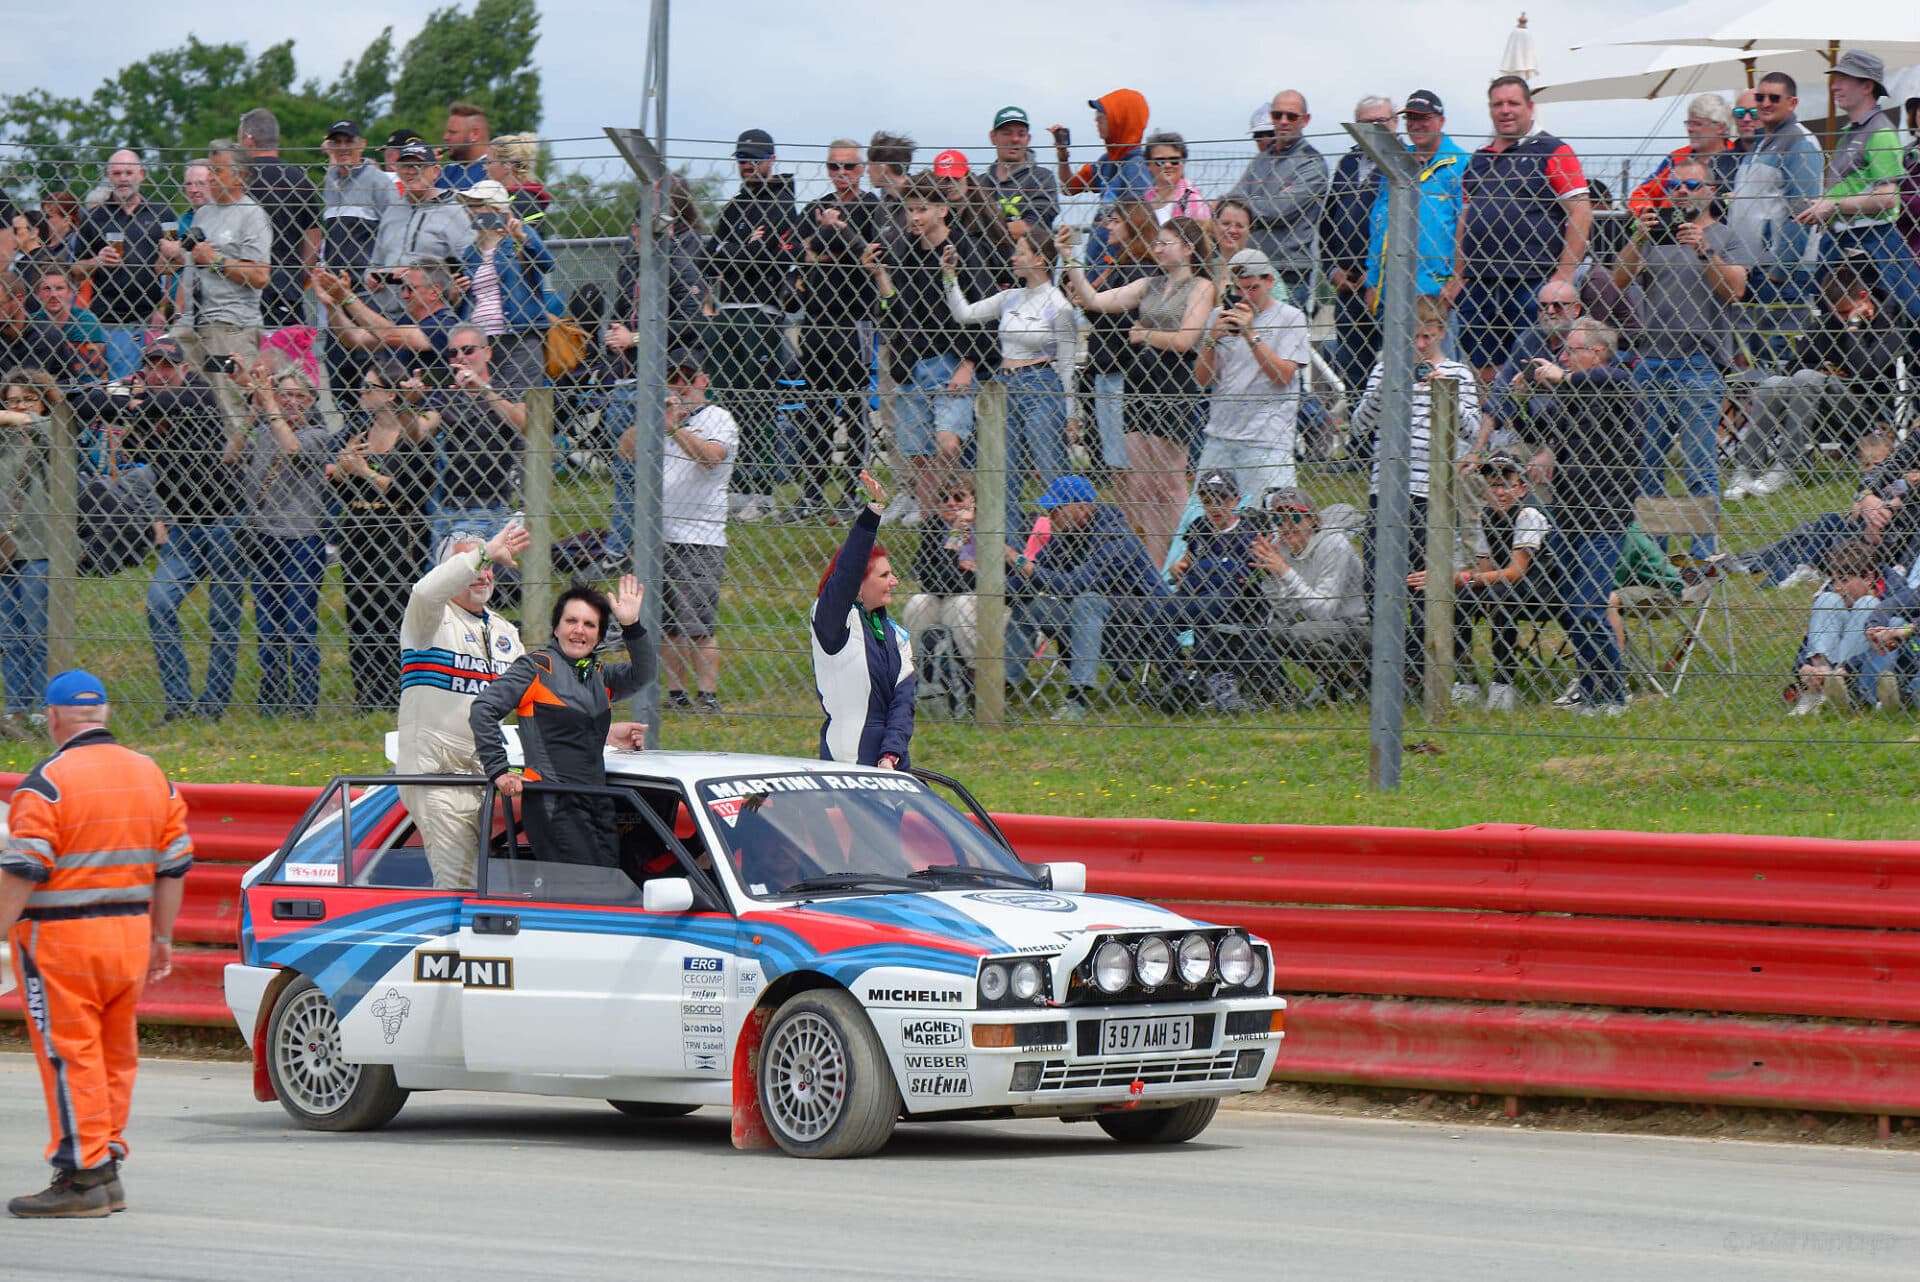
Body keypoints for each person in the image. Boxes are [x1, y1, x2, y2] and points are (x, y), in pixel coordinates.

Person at [0, 670, 191, 1218]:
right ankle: (105, 1165)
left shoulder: (45, 784)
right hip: (130, 939)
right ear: (103, 714)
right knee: (114, 1055)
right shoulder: (152, 775)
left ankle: (80, 1178)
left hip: (61, 944)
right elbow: (174, 865)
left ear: (54, 718)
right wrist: (162, 936)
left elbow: (23, 869)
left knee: (69, 1057)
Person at [75, 340, 239, 721]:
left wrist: (130, 404)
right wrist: (128, 405)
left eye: (168, 367)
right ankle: (179, 704)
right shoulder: (154, 400)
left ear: (183, 368)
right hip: (182, 527)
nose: (160, 373)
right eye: (152, 367)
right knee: (159, 606)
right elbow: (84, 404)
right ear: (142, 370)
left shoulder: (198, 391)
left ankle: (213, 707)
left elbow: (139, 408)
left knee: (223, 619)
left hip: (224, 522)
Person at [1058, 215, 1217, 570]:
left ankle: (1184, 560)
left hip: (1173, 386)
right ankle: (1156, 565)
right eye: (1156, 242)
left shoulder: (1202, 286)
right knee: (1143, 485)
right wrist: (1070, 258)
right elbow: (1094, 300)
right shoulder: (1149, 283)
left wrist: (1144, 335)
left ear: (1188, 248)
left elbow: (1186, 339)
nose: (1157, 248)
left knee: (1170, 485)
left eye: (1166, 243)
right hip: (1140, 383)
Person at [1611, 156, 1750, 548]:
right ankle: (1656, 560)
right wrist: (1638, 236)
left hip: (1700, 363)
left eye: (1692, 187)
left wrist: (1704, 250)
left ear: (1710, 191)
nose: (1683, 193)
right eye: (1676, 187)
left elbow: (1736, 289)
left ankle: (1703, 557)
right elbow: (1618, 280)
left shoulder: (1724, 235)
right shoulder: (1654, 234)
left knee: (1698, 464)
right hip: (1651, 360)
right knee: (1647, 464)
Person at [471, 577, 654, 868]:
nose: (579, 630)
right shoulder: (535, 667)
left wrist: (632, 625)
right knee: (585, 893)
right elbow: (483, 709)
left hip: (597, 801)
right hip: (553, 804)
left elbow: (644, 675)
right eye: (571, 621)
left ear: (599, 635)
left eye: (590, 624)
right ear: (556, 628)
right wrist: (499, 771)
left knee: (611, 886)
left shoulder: (597, 673)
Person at [398, 524, 532, 888]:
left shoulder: (506, 631)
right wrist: (485, 551)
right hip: (435, 773)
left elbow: (537, 699)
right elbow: (425, 590)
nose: (483, 572)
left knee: (482, 882)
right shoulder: (427, 619)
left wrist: (605, 732)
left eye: (489, 565)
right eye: (473, 563)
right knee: (459, 883)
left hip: (486, 773)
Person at [610, 351, 739, 714]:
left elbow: (710, 457)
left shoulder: (719, 418)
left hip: (701, 537)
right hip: (657, 536)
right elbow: (625, 450)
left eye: (685, 378)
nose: (678, 386)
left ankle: (707, 694)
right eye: (672, 378)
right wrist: (654, 417)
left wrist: (674, 428)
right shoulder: (658, 418)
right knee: (665, 624)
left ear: (703, 381)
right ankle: (677, 693)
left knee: (697, 623)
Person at [1519, 318, 1637, 716]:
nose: (1563, 358)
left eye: (1571, 351)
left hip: (1604, 517)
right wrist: (1527, 393)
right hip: (1568, 515)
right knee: (1570, 609)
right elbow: (1536, 428)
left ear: (1598, 352)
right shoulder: (1573, 393)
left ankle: (1614, 695)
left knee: (1588, 608)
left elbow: (1611, 383)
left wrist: (1563, 380)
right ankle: (1592, 694)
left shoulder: (1620, 384)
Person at [862, 174, 991, 525]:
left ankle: (946, 508)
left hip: (950, 362)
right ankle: (931, 516)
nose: (915, 217)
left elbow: (980, 311)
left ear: (943, 210)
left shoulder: (962, 250)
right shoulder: (905, 252)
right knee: (917, 451)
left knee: (948, 443)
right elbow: (895, 309)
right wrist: (879, 275)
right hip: (910, 362)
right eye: (910, 209)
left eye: (923, 209)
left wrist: (969, 363)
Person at [1446, 76, 1593, 384]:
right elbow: (1465, 217)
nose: (1506, 110)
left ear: (1530, 107)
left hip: (1533, 281)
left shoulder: (1554, 149)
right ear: (1490, 109)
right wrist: (1458, 275)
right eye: (1498, 104)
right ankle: (1495, 428)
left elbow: (1581, 210)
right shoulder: (1479, 159)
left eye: (1513, 103)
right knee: (1485, 370)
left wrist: (1564, 275)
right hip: (1479, 283)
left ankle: (1529, 431)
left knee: (1532, 368)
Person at [1003, 474, 1173, 722]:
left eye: (1055, 509)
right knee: (1031, 607)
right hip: (1090, 625)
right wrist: (992, 577)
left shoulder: (1116, 539)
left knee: (1087, 599)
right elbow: (1026, 583)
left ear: (1081, 509)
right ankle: (1001, 687)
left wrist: (1018, 560)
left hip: (1139, 629)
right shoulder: (1066, 537)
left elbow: (1073, 585)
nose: (1049, 516)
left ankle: (1077, 699)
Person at [945, 227, 1079, 541]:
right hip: (1004, 387)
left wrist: (1071, 414)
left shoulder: (1058, 306)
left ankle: (1067, 548)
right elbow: (964, 314)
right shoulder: (1010, 297)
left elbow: (1068, 365)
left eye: (1020, 251)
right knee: (1004, 475)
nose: (1013, 257)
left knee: (1051, 472)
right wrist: (949, 276)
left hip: (1041, 387)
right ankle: (1013, 554)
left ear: (1040, 259)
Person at [1727, 264, 1900, 501]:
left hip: (1866, 407)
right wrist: (1825, 370)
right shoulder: (1830, 319)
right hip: (1817, 401)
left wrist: (1854, 326)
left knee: (1807, 378)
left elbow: (1866, 371)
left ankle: (1786, 465)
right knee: (1773, 383)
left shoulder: (1892, 319)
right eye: (1836, 314)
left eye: (1844, 312)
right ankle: (1746, 470)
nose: (1839, 319)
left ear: (1863, 297)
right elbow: (1796, 363)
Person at [1408, 450, 1551, 712]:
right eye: (1493, 485)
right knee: (1461, 597)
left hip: (1542, 587)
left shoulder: (1528, 513)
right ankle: (1466, 681)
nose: (1499, 491)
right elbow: (1485, 569)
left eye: (1507, 484)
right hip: (1508, 584)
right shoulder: (1487, 517)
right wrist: (1463, 582)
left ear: (1521, 488)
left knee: (1498, 596)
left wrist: (1458, 578)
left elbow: (1515, 572)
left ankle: (1503, 682)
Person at [328, 363, 434, 712]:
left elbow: (415, 492)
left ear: (390, 394)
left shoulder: (412, 438)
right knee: (358, 609)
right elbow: (341, 487)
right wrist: (343, 474)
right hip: (358, 526)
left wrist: (366, 472)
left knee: (392, 610)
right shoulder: (357, 431)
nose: (361, 392)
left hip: (397, 532)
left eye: (368, 387)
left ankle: (395, 691)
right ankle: (365, 692)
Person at [704, 128, 800, 511]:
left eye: (755, 158)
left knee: (758, 402)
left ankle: (761, 491)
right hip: (729, 311)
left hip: (763, 313)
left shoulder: (782, 204)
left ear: (771, 159)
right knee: (729, 401)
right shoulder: (735, 206)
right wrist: (746, 249)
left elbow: (774, 259)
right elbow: (709, 258)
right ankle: (737, 485)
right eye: (743, 159)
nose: (748, 165)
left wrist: (740, 254)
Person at [233, 358, 336, 717]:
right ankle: (272, 701)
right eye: (284, 395)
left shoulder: (317, 435)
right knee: (268, 625)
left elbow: (292, 448)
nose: (291, 402)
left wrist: (270, 403)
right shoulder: (262, 431)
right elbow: (231, 455)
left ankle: (305, 703)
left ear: (310, 401)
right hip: (264, 538)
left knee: (300, 624)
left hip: (302, 539)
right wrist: (253, 410)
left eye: (298, 397)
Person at [1793, 51, 1920, 321]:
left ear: (1866, 86)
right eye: (1835, 78)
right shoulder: (1853, 132)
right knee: (1835, 324)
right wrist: (1824, 206)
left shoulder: (1881, 133)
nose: (1835, 86)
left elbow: (1887, 199)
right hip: (1848, 242)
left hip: (1872, 243)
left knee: (1901, 324)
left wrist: (1833, 205)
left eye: (1843, 79)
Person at [811, 470, 915, 766]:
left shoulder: (897, 635)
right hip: (848, 756)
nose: (894, 581)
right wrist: (873, 512)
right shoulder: (832, 621)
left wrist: (891, 753)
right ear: (858, 586)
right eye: (884, 575)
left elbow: (903, 702)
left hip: (892, 757)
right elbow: (846, 572)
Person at [167, 140, 270, 431]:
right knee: (180, 394)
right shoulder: (204, 213)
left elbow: (261, 275)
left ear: (239, 176)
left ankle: (237, 466)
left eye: (218, 171)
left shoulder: (252, 215)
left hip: (229, 330)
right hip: (192, 327)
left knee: (230, 404)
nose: (210, 177)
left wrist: (216, 261)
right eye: (210, 170)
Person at [1193, 248, 1310, 499]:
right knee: (1205, 525)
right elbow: (1202, 380)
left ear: (1270, 281)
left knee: (1266, 523)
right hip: (1220, 436)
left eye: (1252, 288)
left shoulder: (1291, 318)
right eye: (1238, 288)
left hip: (1266, 441)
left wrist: (1250, 334)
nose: (1244, 296)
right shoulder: (1219, 316)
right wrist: (1210, 341)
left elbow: (1283, 376)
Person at [1253, 486, 1369, 704]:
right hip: (1324, 626)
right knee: (1275, 630)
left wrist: (1285, 572)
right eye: (1279, 520)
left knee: (1299, 633)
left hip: (1360, 627)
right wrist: (1270, 575)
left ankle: (1355, 677)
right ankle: (1336, 680)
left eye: (1294, 517)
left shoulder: (1334, 544)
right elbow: (1287, 611)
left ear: (1312, 520)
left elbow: (1324, 611)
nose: (1287, 527)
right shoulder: (1284, 550)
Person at [69, 149, 172, 378]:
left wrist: (163, 309)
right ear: (108, 176)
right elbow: (74, 271)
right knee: (115, 388)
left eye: (129, 172)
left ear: (142, 174)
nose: (123, 178)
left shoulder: (162, 213)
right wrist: (97, 260)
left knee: (153, 386)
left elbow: (176, 268)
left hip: (150, 317)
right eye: (117, 173)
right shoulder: (94, 217)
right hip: (107, 318)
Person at [1168, 469, 1263, 713]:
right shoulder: (1200, 527)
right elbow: (1187, 565)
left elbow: (1241, 575)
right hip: (1196, 596)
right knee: (1159, 615)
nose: (1216, 508)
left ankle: (1218, 683)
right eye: (1208, 502)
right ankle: (1177, 678)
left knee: (1209, 609)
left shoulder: (1247, 531)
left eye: (1223, 501)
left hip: (1234, 602)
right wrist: (1179, 569)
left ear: (1236, 500)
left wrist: (1202, 571)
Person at [1727, 72, 1824, 308]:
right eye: (1760, 97)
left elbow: (1802, 213)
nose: (1765, 103)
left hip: (1779, 273)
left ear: (1792, 103)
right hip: (1753, 268)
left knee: (1781, 343)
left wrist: (1781, 271)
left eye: (1774, 98)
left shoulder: (1800, 142)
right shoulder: (1762, 142)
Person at [1365, 90, 1468, 311]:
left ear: (1441, 121)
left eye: (1424, 118)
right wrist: (1373, 281)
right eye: (1411, 118)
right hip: (1391, 291)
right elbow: (1379, 223)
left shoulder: (1461, 165)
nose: (1416, 124)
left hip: (1436, 295)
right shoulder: (1396, 162)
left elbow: (1469, 228)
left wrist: (1457, 279)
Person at [1226, 89, 1328, 302]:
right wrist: (1252, 205)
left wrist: (1244, 208)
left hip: (1288, 271)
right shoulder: (1261, 159)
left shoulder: (1312, 163)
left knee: (1284, 334)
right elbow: (1232, 203)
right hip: (1248, 269)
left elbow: (1277, 211)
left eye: (1291, 116)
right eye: (1277, 115)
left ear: (1305, 120)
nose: (1283, 121)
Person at [1323, 96, 1396, 394]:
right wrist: (1332, 271)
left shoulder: (1406, 163)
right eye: (1367, 124)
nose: (1375, 128)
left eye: (1382, 122)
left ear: (1395, 123)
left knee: (1395, 370)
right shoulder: (1347, 163)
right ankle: (1358, 437)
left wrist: (1377, 271)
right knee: (1354, 371)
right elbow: (1327, 223)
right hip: (1348, 286)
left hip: (1390, 287)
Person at [455, 178, 554, 392]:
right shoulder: (470, 252)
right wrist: (457, 291)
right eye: (468, 206)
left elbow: (548, 265)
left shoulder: (517, 238)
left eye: (476, 206)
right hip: (480, 342)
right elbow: (468, 300)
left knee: (519, 401)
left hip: (517, 336)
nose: (470, 212)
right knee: (483, 404)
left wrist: (522, 237)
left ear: (496, 209)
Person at [0, 368, 53, 737]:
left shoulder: (50, 433)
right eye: (13, 400)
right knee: (8, 634)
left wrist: (20, 417)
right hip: (3, 549)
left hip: (38, 544)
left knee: (37, 630)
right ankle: (17, 708)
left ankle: (42, 707)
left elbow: (59, 432)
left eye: (28, 399)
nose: (20, 407)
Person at [366, 142, 474, 319]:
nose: (411, 171)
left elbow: (470, 265)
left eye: (419, 166)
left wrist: (449, 288)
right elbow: (375, 263)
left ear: (435, 172)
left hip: (433, 316)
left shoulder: (454, 211)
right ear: (397, 171)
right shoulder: (392, 211)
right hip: (388, 316)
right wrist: (371, 278)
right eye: (406, 166)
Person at [237, 108, 321, 333]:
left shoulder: (239, 182)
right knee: (288, 358)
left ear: (249, 140)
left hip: (244, 286)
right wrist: (299, 276)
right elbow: (314, 236)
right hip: (288, 286)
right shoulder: (299, 179)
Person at [1050, 88, 1155, 266]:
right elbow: (1069, 187)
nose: (1096, 119)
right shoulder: (1107, 162)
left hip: (1117, 266)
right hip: (1100, 259)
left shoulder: (1137, 167)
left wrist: (1108, 269)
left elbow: (1138, 227)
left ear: (1122, 120)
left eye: (1103, 115)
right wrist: (1062, 155)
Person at [1789, 540, 1884, 716]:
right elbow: (1809, 642)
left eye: (1844, 580)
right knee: (1826, 599)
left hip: (1855, 675)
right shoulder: (1835, 598)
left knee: (1868, 603)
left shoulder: (1892, 594)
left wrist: (1846, 668)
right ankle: (1819, 686)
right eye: (1834, 580)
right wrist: (1803, 667)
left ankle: (1833, 686)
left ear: (1869, 578)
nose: (1838, 587)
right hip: (1827, 667)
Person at [902, 481, 980, 691]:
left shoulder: (986, 529)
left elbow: (976, 582)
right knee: (918, 603)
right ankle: (912, 674)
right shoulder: (933, 527)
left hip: (979, 601)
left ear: (974, 502)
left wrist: (951, 569)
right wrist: (955, 538)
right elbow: (930, 580)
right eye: (944, 498)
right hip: (942, 596)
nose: (950, 502)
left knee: (960, 604)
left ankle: (978, 677)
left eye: (958, 497)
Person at [1626, 94, 1739, 214]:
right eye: (1689, 124)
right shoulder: (1677, 158)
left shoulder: (1739, 158)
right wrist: (1647, 212)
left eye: (1697, 124)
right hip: (1674, 227)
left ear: (1720, 127)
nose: (1690, 129)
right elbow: (1642, 194)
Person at [319, 119, 397, 278]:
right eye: (337, 142)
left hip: (367, 283)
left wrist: (383, 271)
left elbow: (396, 228)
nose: (343, 148)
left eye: (349, 142)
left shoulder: (378, 181)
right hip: (335, 281)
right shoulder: (330, 180)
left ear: (362, 145)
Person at [975, 106, 1059, 241]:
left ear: (1028, 139)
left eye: (1021, 134)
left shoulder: (1042, 178)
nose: (1015, 139)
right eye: (1007, 133)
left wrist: (982, 233)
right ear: (993, 137)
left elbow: (1035, 225)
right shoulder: (980, 183)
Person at [1145, 132, 1210, 224]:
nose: (1167, 165)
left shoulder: (1193, 200)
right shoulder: (1145, 199)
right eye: (1160, 161)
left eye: (1174, 160)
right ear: (1148, 165)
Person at [438, 102, 492, 192]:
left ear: (475, 134)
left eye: (453, 132)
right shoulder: (448, 171)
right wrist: (427, 168)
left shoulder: (493, 171)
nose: (445, 137)